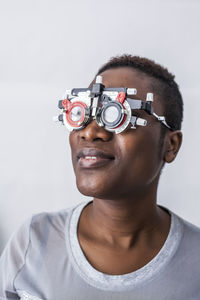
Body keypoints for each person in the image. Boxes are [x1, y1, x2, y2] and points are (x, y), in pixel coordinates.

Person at [0, 54, 200, 300]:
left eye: (116, 114)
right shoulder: (34, 241)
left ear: (171, 145)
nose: (90, 131)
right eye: (84, 113)